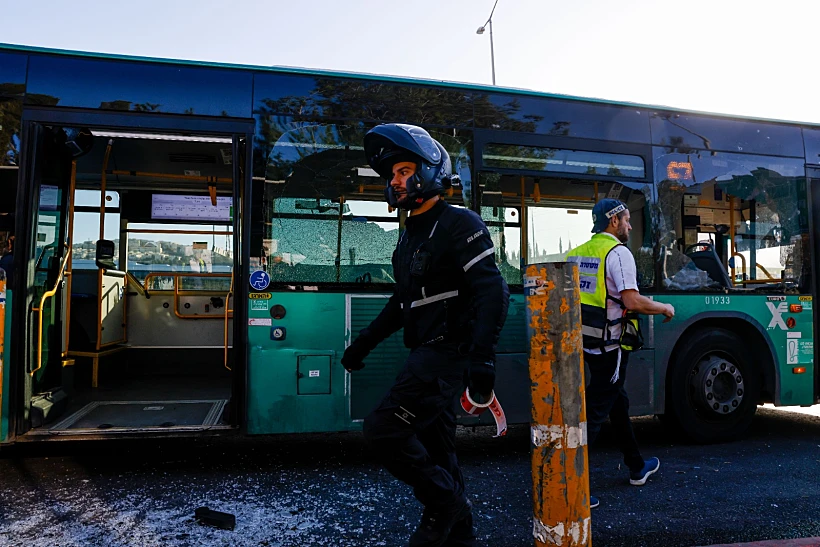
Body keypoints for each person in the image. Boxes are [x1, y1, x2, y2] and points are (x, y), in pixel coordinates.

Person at [342, 124, 509, 547]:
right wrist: (365, 341)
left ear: (431, 171)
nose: (394, 181)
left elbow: (493, 291)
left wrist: (482, 360)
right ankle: (462, 532)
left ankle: (443, 504)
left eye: (403, 171)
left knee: (382, 431)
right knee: (439, 452)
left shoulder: (459, 223)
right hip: (424, 352)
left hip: (447, 354)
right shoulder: (408, 238)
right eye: (391, 175)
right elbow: (404, 301)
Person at [566, 198, 675, 507]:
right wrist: (664, 307)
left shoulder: (578, 253)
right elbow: (632, 301)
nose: (629, 225)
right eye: (626, 219)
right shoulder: (618, 253)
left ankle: (636, 465)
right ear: (613, 221)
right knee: (597, 411)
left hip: (586, 343)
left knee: (617, 402)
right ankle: (573, 489)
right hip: (610, 344)